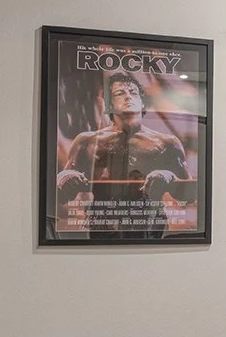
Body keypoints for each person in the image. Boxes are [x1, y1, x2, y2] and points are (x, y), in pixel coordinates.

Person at [56, 71, 191, 237]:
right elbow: (61, 196)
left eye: (134, 93)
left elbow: (189, 195)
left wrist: (168, 176)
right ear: (109, 104)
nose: (128, 97)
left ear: (142, 103)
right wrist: (65, 177)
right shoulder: (87, 141)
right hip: (103, 224)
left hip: (149, 225)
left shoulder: (167, 142)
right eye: (120, 93)